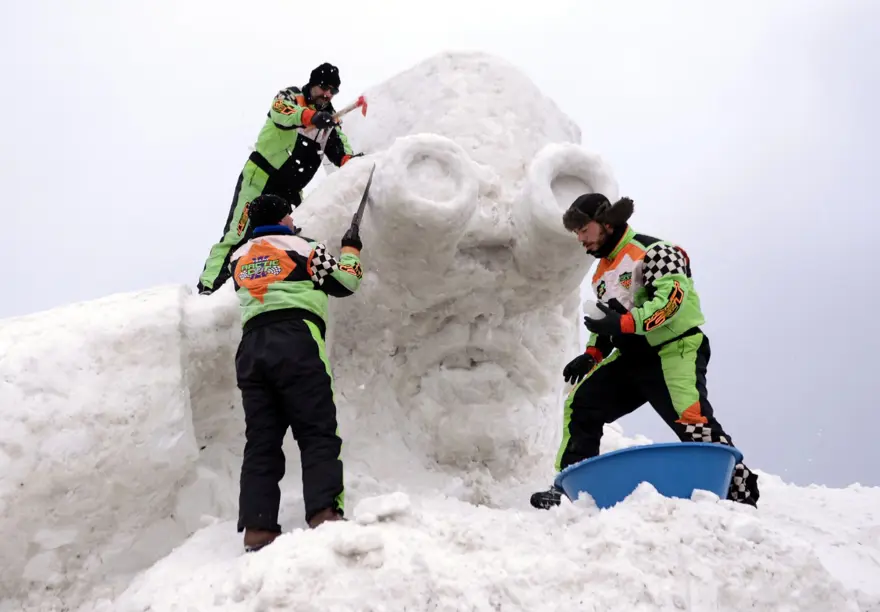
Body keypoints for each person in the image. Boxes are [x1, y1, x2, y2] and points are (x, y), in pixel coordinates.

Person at [530, 193, 760, 510]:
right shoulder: (600, 275)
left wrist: (622, 324)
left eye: (584, 229)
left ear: (606, 222)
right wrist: (592, 354)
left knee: (691, 418)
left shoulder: (654, 251)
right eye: (577, 233)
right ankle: (571, 490)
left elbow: (670, 302)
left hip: (673, 348)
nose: (581, 239)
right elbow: (606, 322)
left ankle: (737, 489)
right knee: (582, 405)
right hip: (630, 358)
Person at [229, 193, 364, 552]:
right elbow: (346, 283)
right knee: (317, 428)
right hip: (296, 340)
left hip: (252, 349)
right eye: (290, 216)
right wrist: (351, 250)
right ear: (285, 217)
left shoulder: (238, 258)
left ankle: (258, 529)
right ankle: (324, 513)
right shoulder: (305, 248)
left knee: (262, 441)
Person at [197, 62, 363, 295]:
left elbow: (340, 150)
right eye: (323, 88)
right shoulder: (292, 97)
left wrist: (351, 161)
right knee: (239, 233)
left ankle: (272, 284)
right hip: (261, 178)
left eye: (332, 91)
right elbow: (281, 113)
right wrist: (310, 117)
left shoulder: (330, 119)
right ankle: (210, 288)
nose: (326, 94)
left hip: (290, 191)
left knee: (289, 236)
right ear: (311, 84)